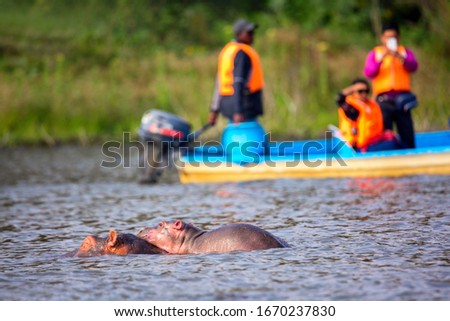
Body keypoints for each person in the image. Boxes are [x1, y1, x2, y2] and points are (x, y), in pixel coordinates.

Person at [363, 21, 419, 148]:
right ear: (382, 38)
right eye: (387, 37)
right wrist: (381, 59)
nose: (390, 40)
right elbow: (369, 72)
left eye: (392, 37)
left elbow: (414, 66)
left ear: (398, 37)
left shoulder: (404, 52)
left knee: (407, 134)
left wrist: (400, 57)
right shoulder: (376, 53)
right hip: (383, 100)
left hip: (402, 99)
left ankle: (409, 155)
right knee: (384, 134)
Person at [208, 19, 264, 126]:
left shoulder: (228, 51)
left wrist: (214, 110)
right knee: (248, 138)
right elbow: (238, 82)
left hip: (229, 105)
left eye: (253, 33)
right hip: (244, 107)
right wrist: (238, 111)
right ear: (239, 34)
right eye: (249, 33)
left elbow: (219, 83)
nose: (252, 35)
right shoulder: (242, 53)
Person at [336, 78, 397, 152]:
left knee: (395, 141)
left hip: (373, 143)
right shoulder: (352, 108)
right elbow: (340, 99)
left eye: (366, 91)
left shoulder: (372, 106)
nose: (364, 94)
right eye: (360, 91)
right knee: (393, 145)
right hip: (359, 148)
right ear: (353, 92)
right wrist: (353, 88)